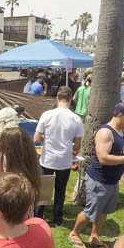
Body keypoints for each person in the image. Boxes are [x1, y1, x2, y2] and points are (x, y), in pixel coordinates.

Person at [69, 103, 124, 248]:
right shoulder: (106, 132)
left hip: (112, 181)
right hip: (99, 180)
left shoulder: (121, 132)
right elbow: (103, 158)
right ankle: (74, 233)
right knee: (90, 211)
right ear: (120, 115)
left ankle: (94, 236)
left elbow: (119, 152)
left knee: (104, 211)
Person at [35, 86, 84, 226]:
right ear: (70, 99)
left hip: (47, 159)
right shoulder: (76, 119)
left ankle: (38, 217)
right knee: (60, 190)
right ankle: (57, 219)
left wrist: (47, 139)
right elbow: (77, 145)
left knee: (43, 189)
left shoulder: (47, 115)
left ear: (57, 98)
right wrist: (72, 150)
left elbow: (36, 138)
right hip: (64, 160)